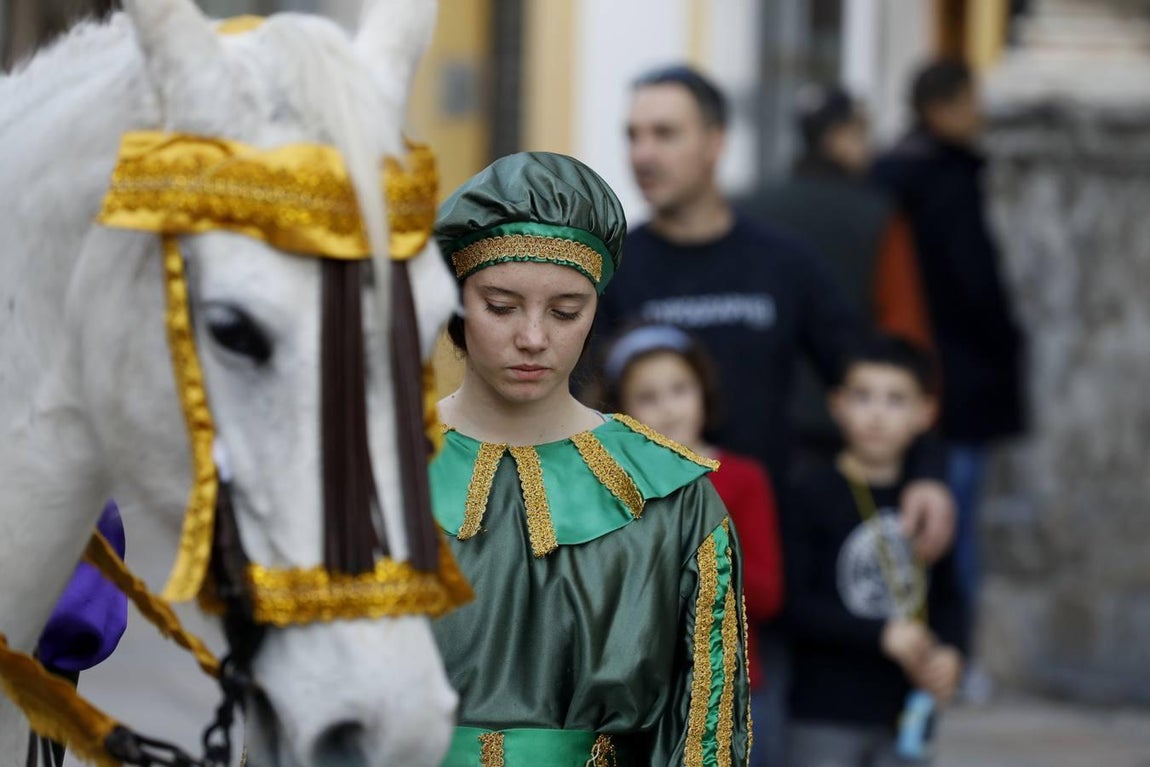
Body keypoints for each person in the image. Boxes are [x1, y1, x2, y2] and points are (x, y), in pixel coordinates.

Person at [601, 63, 955, 767]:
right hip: (649, 600)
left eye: (665, 134)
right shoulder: (617, 271)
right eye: (634, 135)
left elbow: (871, 372)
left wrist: (929, 470)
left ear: (715, 142)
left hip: (766, 592)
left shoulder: (782, 262)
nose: (643, 153)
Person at [430, 151, 750, 766]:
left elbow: (702, 734)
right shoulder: (380, 473)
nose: (532, 337)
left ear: (596, 310)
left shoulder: (670, 496)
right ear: (457, 303)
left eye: (565, 311)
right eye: (500, 306)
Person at [871, 60, 1026, 657]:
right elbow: (974, 283)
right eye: (970, 101)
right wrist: (1006, 341)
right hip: (959, 375)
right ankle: (949, 645)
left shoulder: (893, 176)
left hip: (906, 369)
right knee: (947, 519)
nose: (980, 114)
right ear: (941, 107)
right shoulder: (945, 179)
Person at [599, 322, 784, 760]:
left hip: (728, 687)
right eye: (647, 397)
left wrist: (690, 554)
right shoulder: (610, 485)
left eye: (680, 388)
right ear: (620, 410)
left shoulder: (743, 479)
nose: (668, 408)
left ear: (704, 391)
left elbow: (767, 595)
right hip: (635, 694)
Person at [784, 336, 965, 767]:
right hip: (824, 713)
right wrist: (881, 634)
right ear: (837, 404)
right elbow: (791, 604)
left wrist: (952, 652)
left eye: (896, 399)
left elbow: (949, 594)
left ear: (926, 413)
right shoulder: (809, 493)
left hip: (906, 708)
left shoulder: (927, 501)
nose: (878, 414)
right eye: (863, 396)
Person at [738, 84, 933, 463]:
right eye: (862, 133)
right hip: (850, 423)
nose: (869, 147)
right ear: (837, 137)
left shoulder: (750, 206)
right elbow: (903, 322)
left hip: (756, 418)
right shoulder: (877, 213)